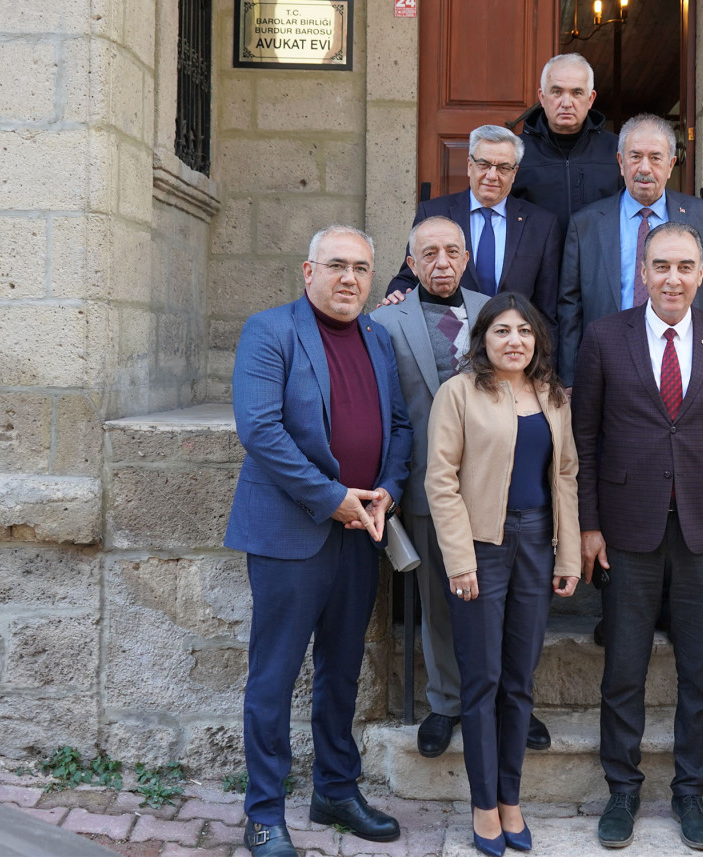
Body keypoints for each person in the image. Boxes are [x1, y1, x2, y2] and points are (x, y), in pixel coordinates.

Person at [572, 222, 703, 851]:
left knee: (701, 671)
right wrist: (589, 525)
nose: (672, 279)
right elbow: (587, 440)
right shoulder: (605, 338)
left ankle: (690, 793)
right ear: (642, 272)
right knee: (623, 666)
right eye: (661, 266)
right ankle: (621, 790)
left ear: (700, 274)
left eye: (684, 267)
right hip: (628, 529)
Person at [225, 226, 413, 857]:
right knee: (274, 676)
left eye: (361, 268)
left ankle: (335, 789)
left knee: (341, 671)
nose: (350, 279)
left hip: (362, 531)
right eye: (336, 266)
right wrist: (331, 498)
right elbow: (260, 428)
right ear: (308, 272)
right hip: (290, 532)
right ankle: (263, 811)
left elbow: (400, 424)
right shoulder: (269, 331)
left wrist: (387, 488)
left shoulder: (378, 340)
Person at [425, 293, 581, 856]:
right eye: (501, 332)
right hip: (483, 547)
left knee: (519, 679)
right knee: (482, 679)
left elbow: (565, 475)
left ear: (537, 339)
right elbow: (440, 480)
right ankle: (483, 805)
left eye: (524, 331)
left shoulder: (553, 396)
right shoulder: (458, 393)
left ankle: (511, 798)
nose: (514, 340)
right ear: (483, 340)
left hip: (538, 542)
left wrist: (568, 556)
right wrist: (460, 559)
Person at [371, 217, 496, 757]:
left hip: (496, 487)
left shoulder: (497, 312)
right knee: (439, 604)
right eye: (429, 254)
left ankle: (505, 700)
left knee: (502, 602)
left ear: (465, 257)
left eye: (452, 251)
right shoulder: (385, 323)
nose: (441, 262)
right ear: (412, 262)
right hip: (427, 484)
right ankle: (446, 703)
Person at [557, 113, 703, 404]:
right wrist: (568, 377)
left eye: (655, 158)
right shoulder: (586, 223)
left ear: (670, 165)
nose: (644, 168)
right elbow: (569, 308)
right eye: (635, 156)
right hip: (608, 364)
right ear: (620, 162)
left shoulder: (698, 215)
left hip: (683, 360)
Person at [385, 125, 561, 336]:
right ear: (469, 166)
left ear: (514, 174)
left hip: (512, 349)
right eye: (484, 164)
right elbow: (409, 275)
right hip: (447, 344)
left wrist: (543, 367)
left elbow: (546, 311)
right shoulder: (433, 212)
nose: (492, 175)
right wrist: (397, 294)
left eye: (503, 167)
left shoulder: (542, 225)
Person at [511, 52, 622, 240]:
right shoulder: (516, 151)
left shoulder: (617, 150)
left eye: (577, 93)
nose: (566, 103)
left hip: (597, 265)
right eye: (557, 92)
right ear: (542, 97)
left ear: (591, 99)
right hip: (536, 265)